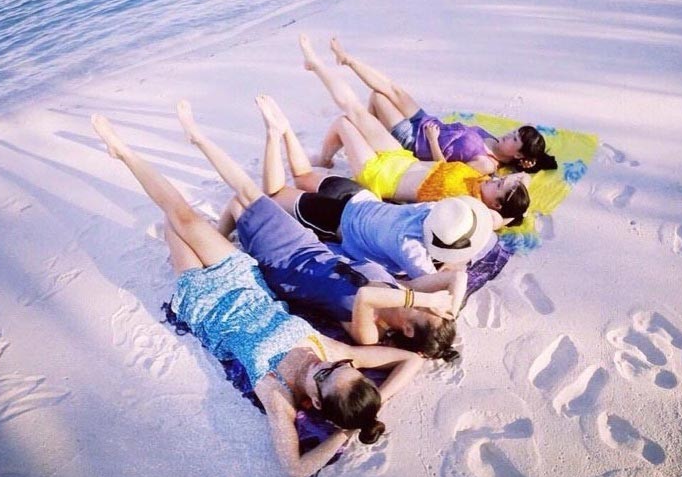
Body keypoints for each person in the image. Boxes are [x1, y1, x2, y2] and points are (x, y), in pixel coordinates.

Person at [91, 114, 423, 477]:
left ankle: (162, 201)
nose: (324, 364)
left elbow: (295, 470)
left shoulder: (278, 397)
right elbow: (411, 360)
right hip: (242, 279)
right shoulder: (335, 354)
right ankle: (122, 152)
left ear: (313, 403)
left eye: (325, 375)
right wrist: (373, 410)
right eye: (342, 368)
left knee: (175, 225)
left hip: (203, 299)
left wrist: (345, 433)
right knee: (181, 214)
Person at [176, 98, 460, 361]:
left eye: (428, 313)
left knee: (247, 196)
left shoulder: (373, 331)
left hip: (288, 265)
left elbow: (366, 296)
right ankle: (221, 230)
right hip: (311, 246)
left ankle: (203, 138)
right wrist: (449, 309)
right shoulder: (403, 289)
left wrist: (425, 299)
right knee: (243, 201)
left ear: (409, 331)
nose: (430, 306)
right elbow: (457, 276)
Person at [251, 95, 490, 303]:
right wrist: (453, 266)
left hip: (358, 194)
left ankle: (287, 130)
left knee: (304, 176)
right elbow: (434, 281)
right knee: (275, 194)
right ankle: (274, 134)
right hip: (334, 218)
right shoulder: (411, 250)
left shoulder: (431, 209)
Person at [299, 34, 531, 228]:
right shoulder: (478, 177)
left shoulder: (471, 207)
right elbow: (447, 168)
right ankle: (325, 159)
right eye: (500, 180)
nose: (495, 181)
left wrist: (515, 214)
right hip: (402, 159)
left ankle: (317, 67)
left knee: (346, 119)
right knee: (360, 112)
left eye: (498, 186)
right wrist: (516, 184)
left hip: (382, 176)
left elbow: (498, 220)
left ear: (496, 204)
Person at [328, 37, 557, 174]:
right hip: (428, 121)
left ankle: (365, 137)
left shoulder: (487, 165)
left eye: (514, 139)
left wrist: (432, 140)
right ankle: (348, 60)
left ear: (517, 155)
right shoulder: (494, 140)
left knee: (378, 97)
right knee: (392, 89)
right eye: (514, 132)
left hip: (416, 140)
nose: (509, 135)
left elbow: (446, 172)